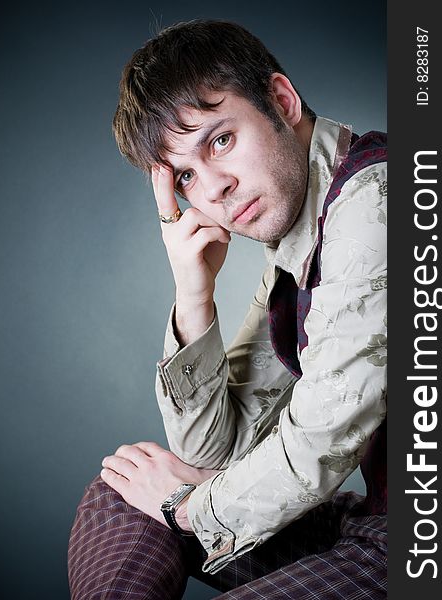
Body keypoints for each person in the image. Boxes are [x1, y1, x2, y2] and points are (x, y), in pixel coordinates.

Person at [68, 19, 387, 599]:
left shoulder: (374, 208)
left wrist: (183, 507)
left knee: (164, 498)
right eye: (185, 174)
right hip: (374, 525)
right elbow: (217, 448)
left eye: (220, 140)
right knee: (122, 492)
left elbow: (322, 440)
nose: (212, 188)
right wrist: (193, 292)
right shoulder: (300, 235)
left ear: (282, 102)